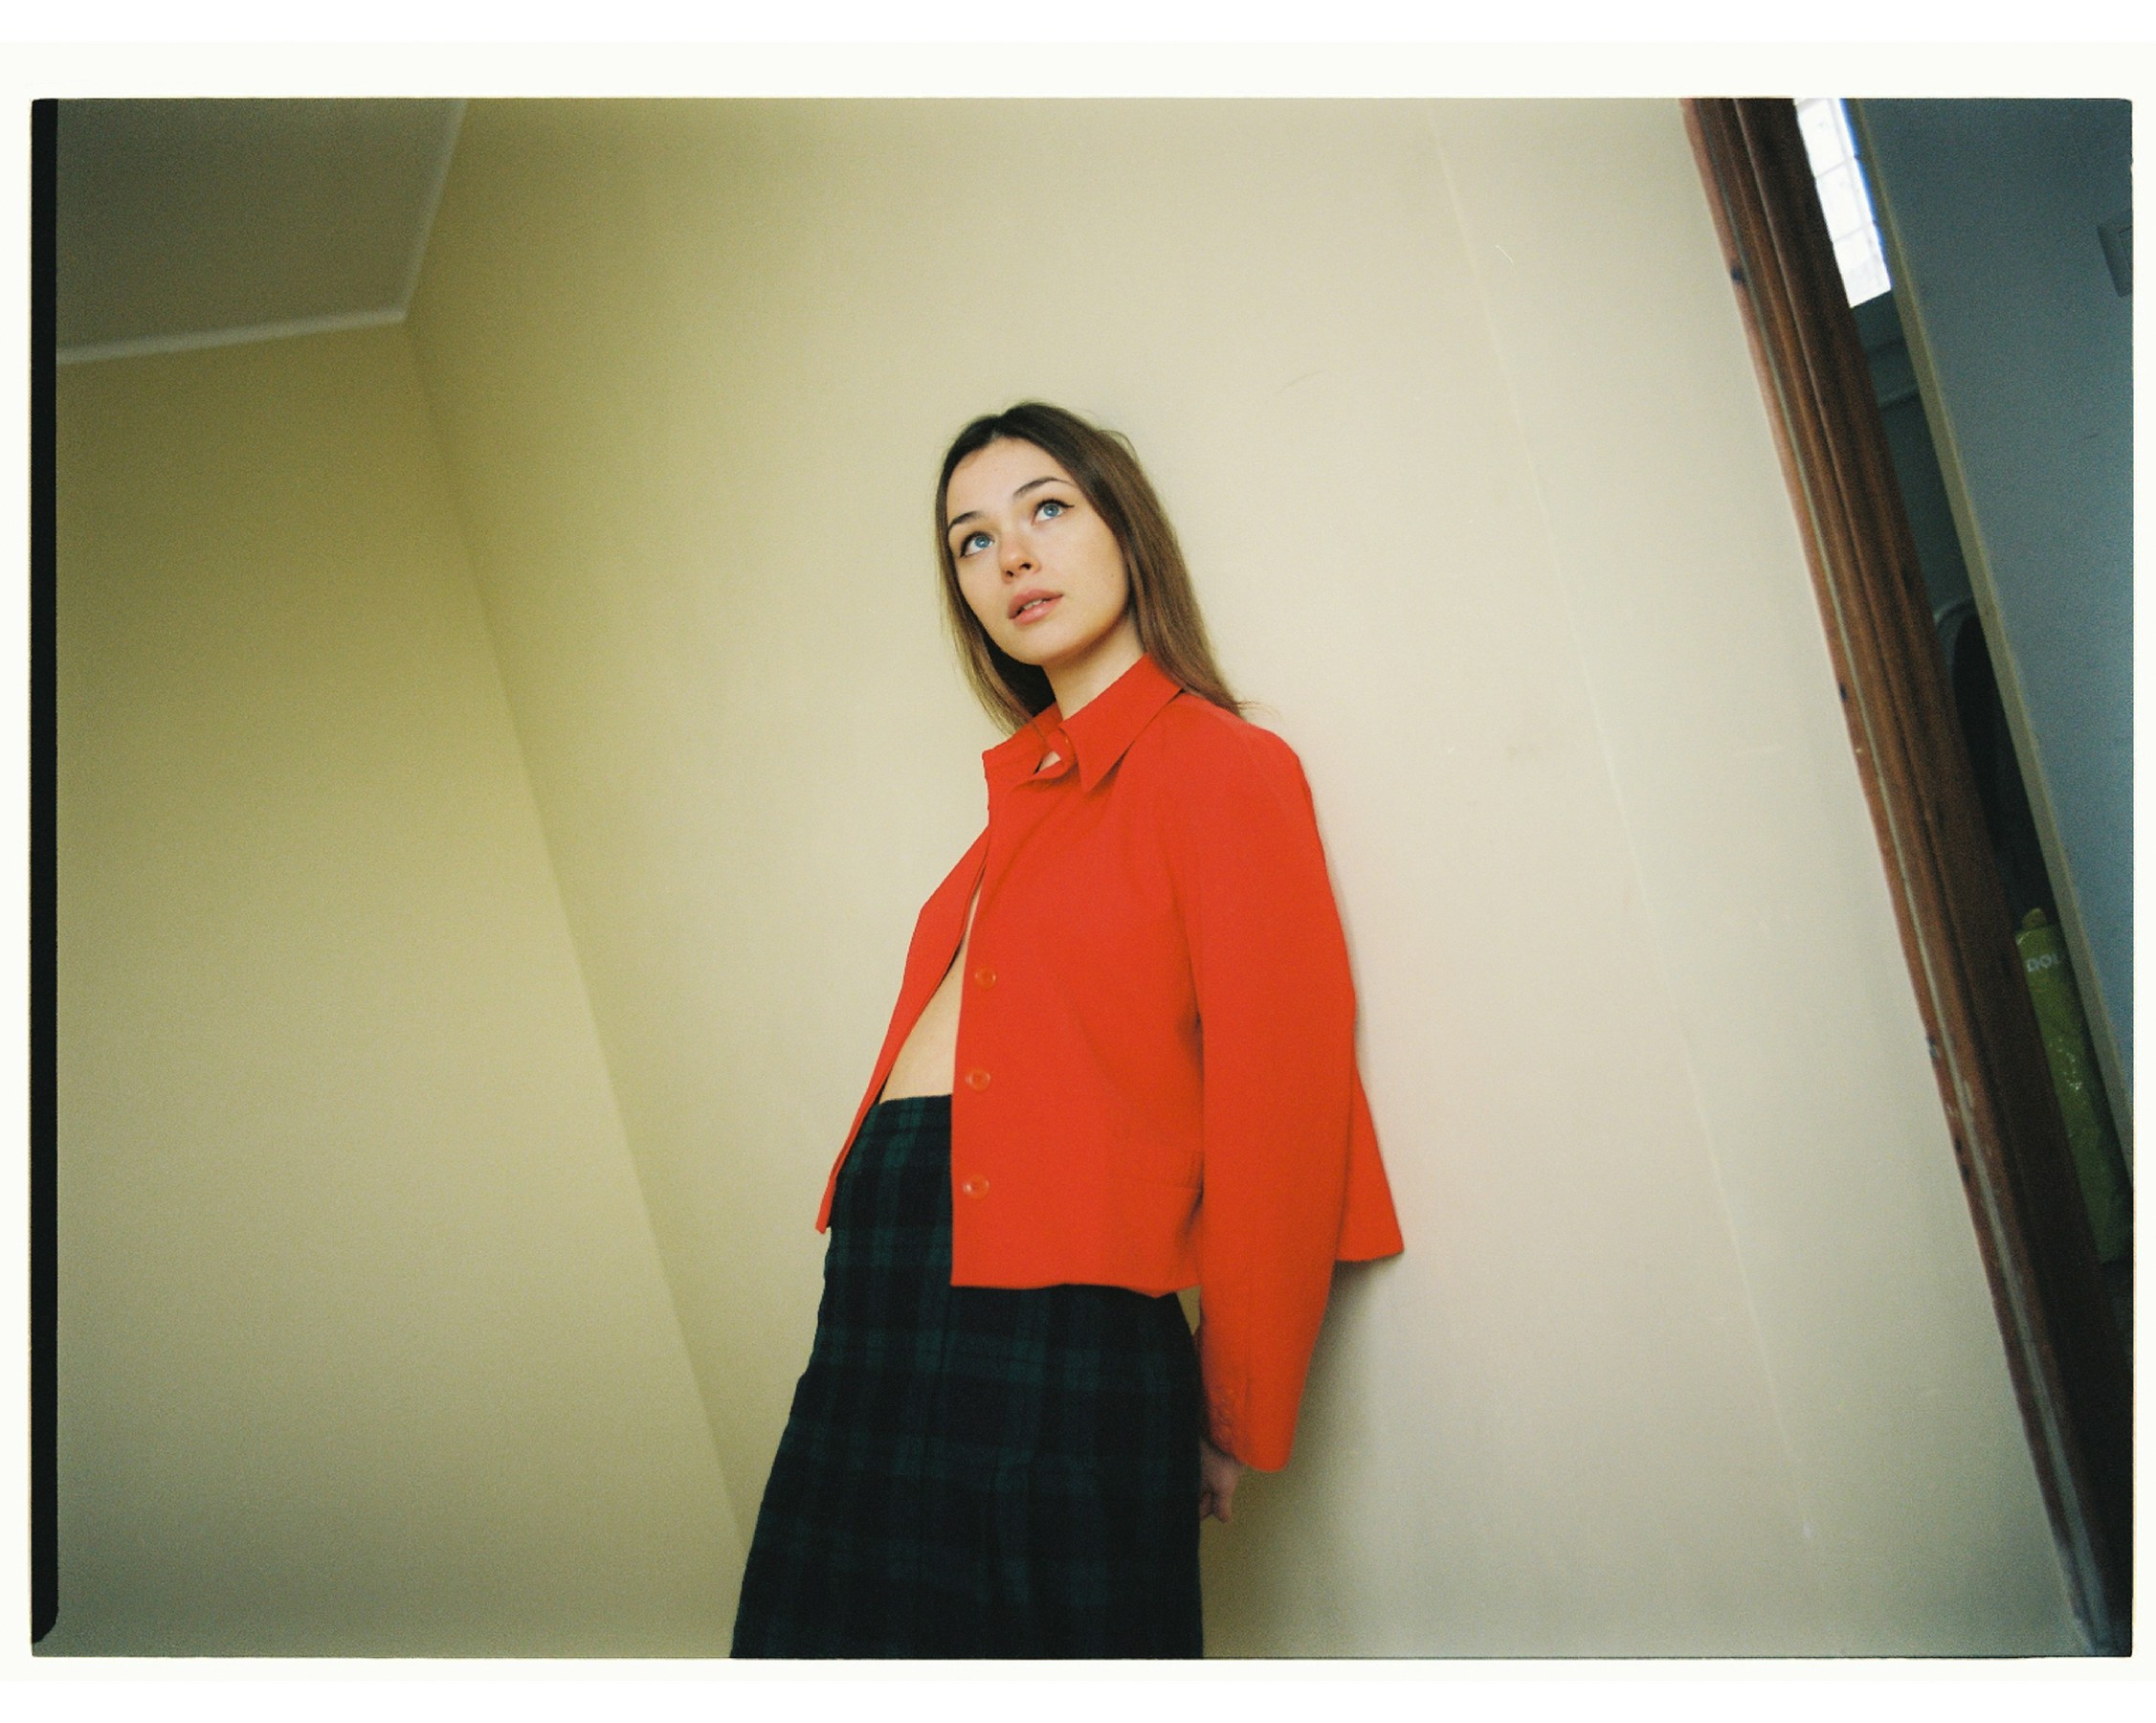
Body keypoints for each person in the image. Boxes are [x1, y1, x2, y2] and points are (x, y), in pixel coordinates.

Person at [730, 402, 1404, 1660]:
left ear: (1126, 532)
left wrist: (1232, 1410)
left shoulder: (1221, 767)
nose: (1013, 557)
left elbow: (1282, 1108)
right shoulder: (1022, 802)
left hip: (1051, 1321)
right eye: (972, 541)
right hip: (878, 1304)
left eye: (1047, 508)